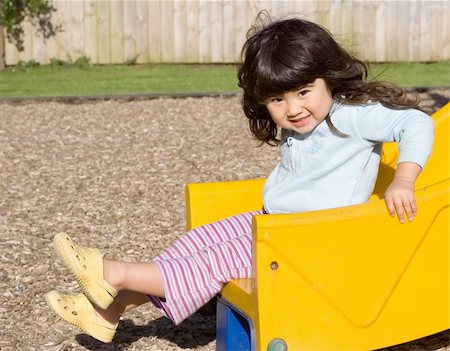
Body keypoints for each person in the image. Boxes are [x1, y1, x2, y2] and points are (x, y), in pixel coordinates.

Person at [45, 13, 434, 343]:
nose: (293, 109)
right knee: (197, 243)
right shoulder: (303, 119)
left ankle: (113, 271)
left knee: (213, 264)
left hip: (312, 241)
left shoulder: (352, 114)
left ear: (328, 77)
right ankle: (109, 310)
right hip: (273, 223)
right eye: (277, 100)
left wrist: (403, 177)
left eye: (303, 91)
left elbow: (416, 124)